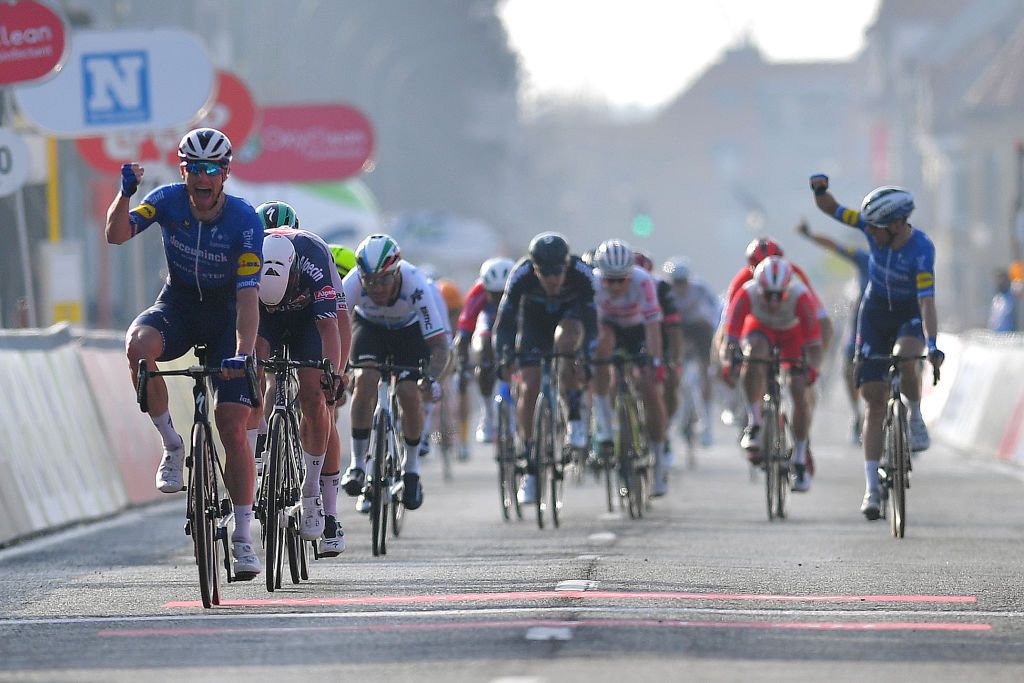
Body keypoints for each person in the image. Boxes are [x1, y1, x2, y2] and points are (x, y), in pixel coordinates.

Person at [106, 127, 265, 579]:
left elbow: (249, 300)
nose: (202, 177)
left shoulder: (245, 221)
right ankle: (172, 445)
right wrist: (124, 194)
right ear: (183, 171)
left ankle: (242, 537)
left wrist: (244, 353)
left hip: (225, 318)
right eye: (194, 168)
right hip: (176, 306)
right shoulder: (167, 199)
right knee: (138, 346)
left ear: (225, 174)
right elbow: (117, 235)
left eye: (211, 169)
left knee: (232, 426)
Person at [809, 174, 945, 519]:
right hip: (873, 314)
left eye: (879, 228)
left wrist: (932, 343)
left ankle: (914, 417)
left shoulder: (922, 249)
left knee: (907, 357)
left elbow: (927, 302)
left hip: (908, 313)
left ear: (898, 224)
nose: (873, 234)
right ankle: (871, 487)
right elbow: (833, 210)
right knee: (872, 399)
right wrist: (820, 190)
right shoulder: (873, 228)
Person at [252, 221, 350, 557]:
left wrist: (334, 373)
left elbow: (332, 327)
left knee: (314, 395)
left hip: (310, 319)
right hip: (264, 319)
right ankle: (257, 449)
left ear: (293, 272)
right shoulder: (248, 252)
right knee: (251, 373)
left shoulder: (313, 257)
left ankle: (314, 495)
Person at [339, 234, 450, 513]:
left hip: (408, 333)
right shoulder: (352, 283)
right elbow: (333, 328)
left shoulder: (416, 285)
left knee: (408, 392)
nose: (376, 288)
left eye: (384, 280)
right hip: (369, 328)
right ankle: (357, 465)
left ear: (396, 272)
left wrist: (431, 377)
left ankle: (411, 470)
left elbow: (439, 344)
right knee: (364, 380)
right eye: (370, 280)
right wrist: (338, 370)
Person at [493, 232, 597, 505]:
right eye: (545, 273)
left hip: (570, 320)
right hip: (534, 324)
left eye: (557, 272)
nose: (552, 279)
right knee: (528, 387)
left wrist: (586, 357)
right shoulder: (520, 275)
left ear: (567, 266)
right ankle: (531, 463)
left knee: (567, 346)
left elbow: (591, 319)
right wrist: (504, 357)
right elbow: (504, 323)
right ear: (534, 269)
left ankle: (574, 414)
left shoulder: (582, 274)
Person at [719, 256, 822, 492]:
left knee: (798, 388)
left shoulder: (800, 296)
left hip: (791, 334)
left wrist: (810, 371)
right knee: (753, 357)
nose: (774, 302)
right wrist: (731, 363)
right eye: (768, 295)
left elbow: (815, 347)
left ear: (787, 288)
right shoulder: (747, 293)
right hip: (760, 330)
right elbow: (729, 341)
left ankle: (799, 456)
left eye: (780, 295)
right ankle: (755, 422)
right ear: (759, 288)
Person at [591, 240, 670, 495]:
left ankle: (658, 461)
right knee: (602, 349)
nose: (614, 286)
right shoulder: (592, 283)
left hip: (638, 330)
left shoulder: (643, 280)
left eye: (620, 280)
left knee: (649, 387)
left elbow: (653, 327)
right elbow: (589, 326)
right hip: (609, 328)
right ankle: (604, 420)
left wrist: (655, 363)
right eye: (609, 280)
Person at [796, 219, 870, 444]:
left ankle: (910, 419)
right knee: (850, 368)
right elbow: (835, 246)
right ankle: (857, 414)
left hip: (896, 320)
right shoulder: (865, 259)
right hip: (863, 319)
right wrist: (810, 236)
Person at [456, 257, 515, 444]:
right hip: (488, 324)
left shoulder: (520, 288)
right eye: (494, 294)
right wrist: (464, 363)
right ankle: (488, 414)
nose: (499, 300)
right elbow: (463, 335)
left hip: (515, 323)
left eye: (503, 294)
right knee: (483, 349)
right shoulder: (477, 292)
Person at [663, 255, 719, 447]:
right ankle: (676, 417)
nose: (680, 287)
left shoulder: (700, 288)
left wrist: (715, 329)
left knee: (706, 372)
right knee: (673, 369)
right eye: (676, 283)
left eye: (683, 282)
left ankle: (707, 425)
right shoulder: (664, 290)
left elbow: (716, 309)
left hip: (698, 328)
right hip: (677, 328)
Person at [989, 267, 1018, 332]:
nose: (999, 283)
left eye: (1001, 280)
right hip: (997, 337)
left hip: (1010, 336)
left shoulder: (1012, 297)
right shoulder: (996, 299)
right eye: (997, 280)